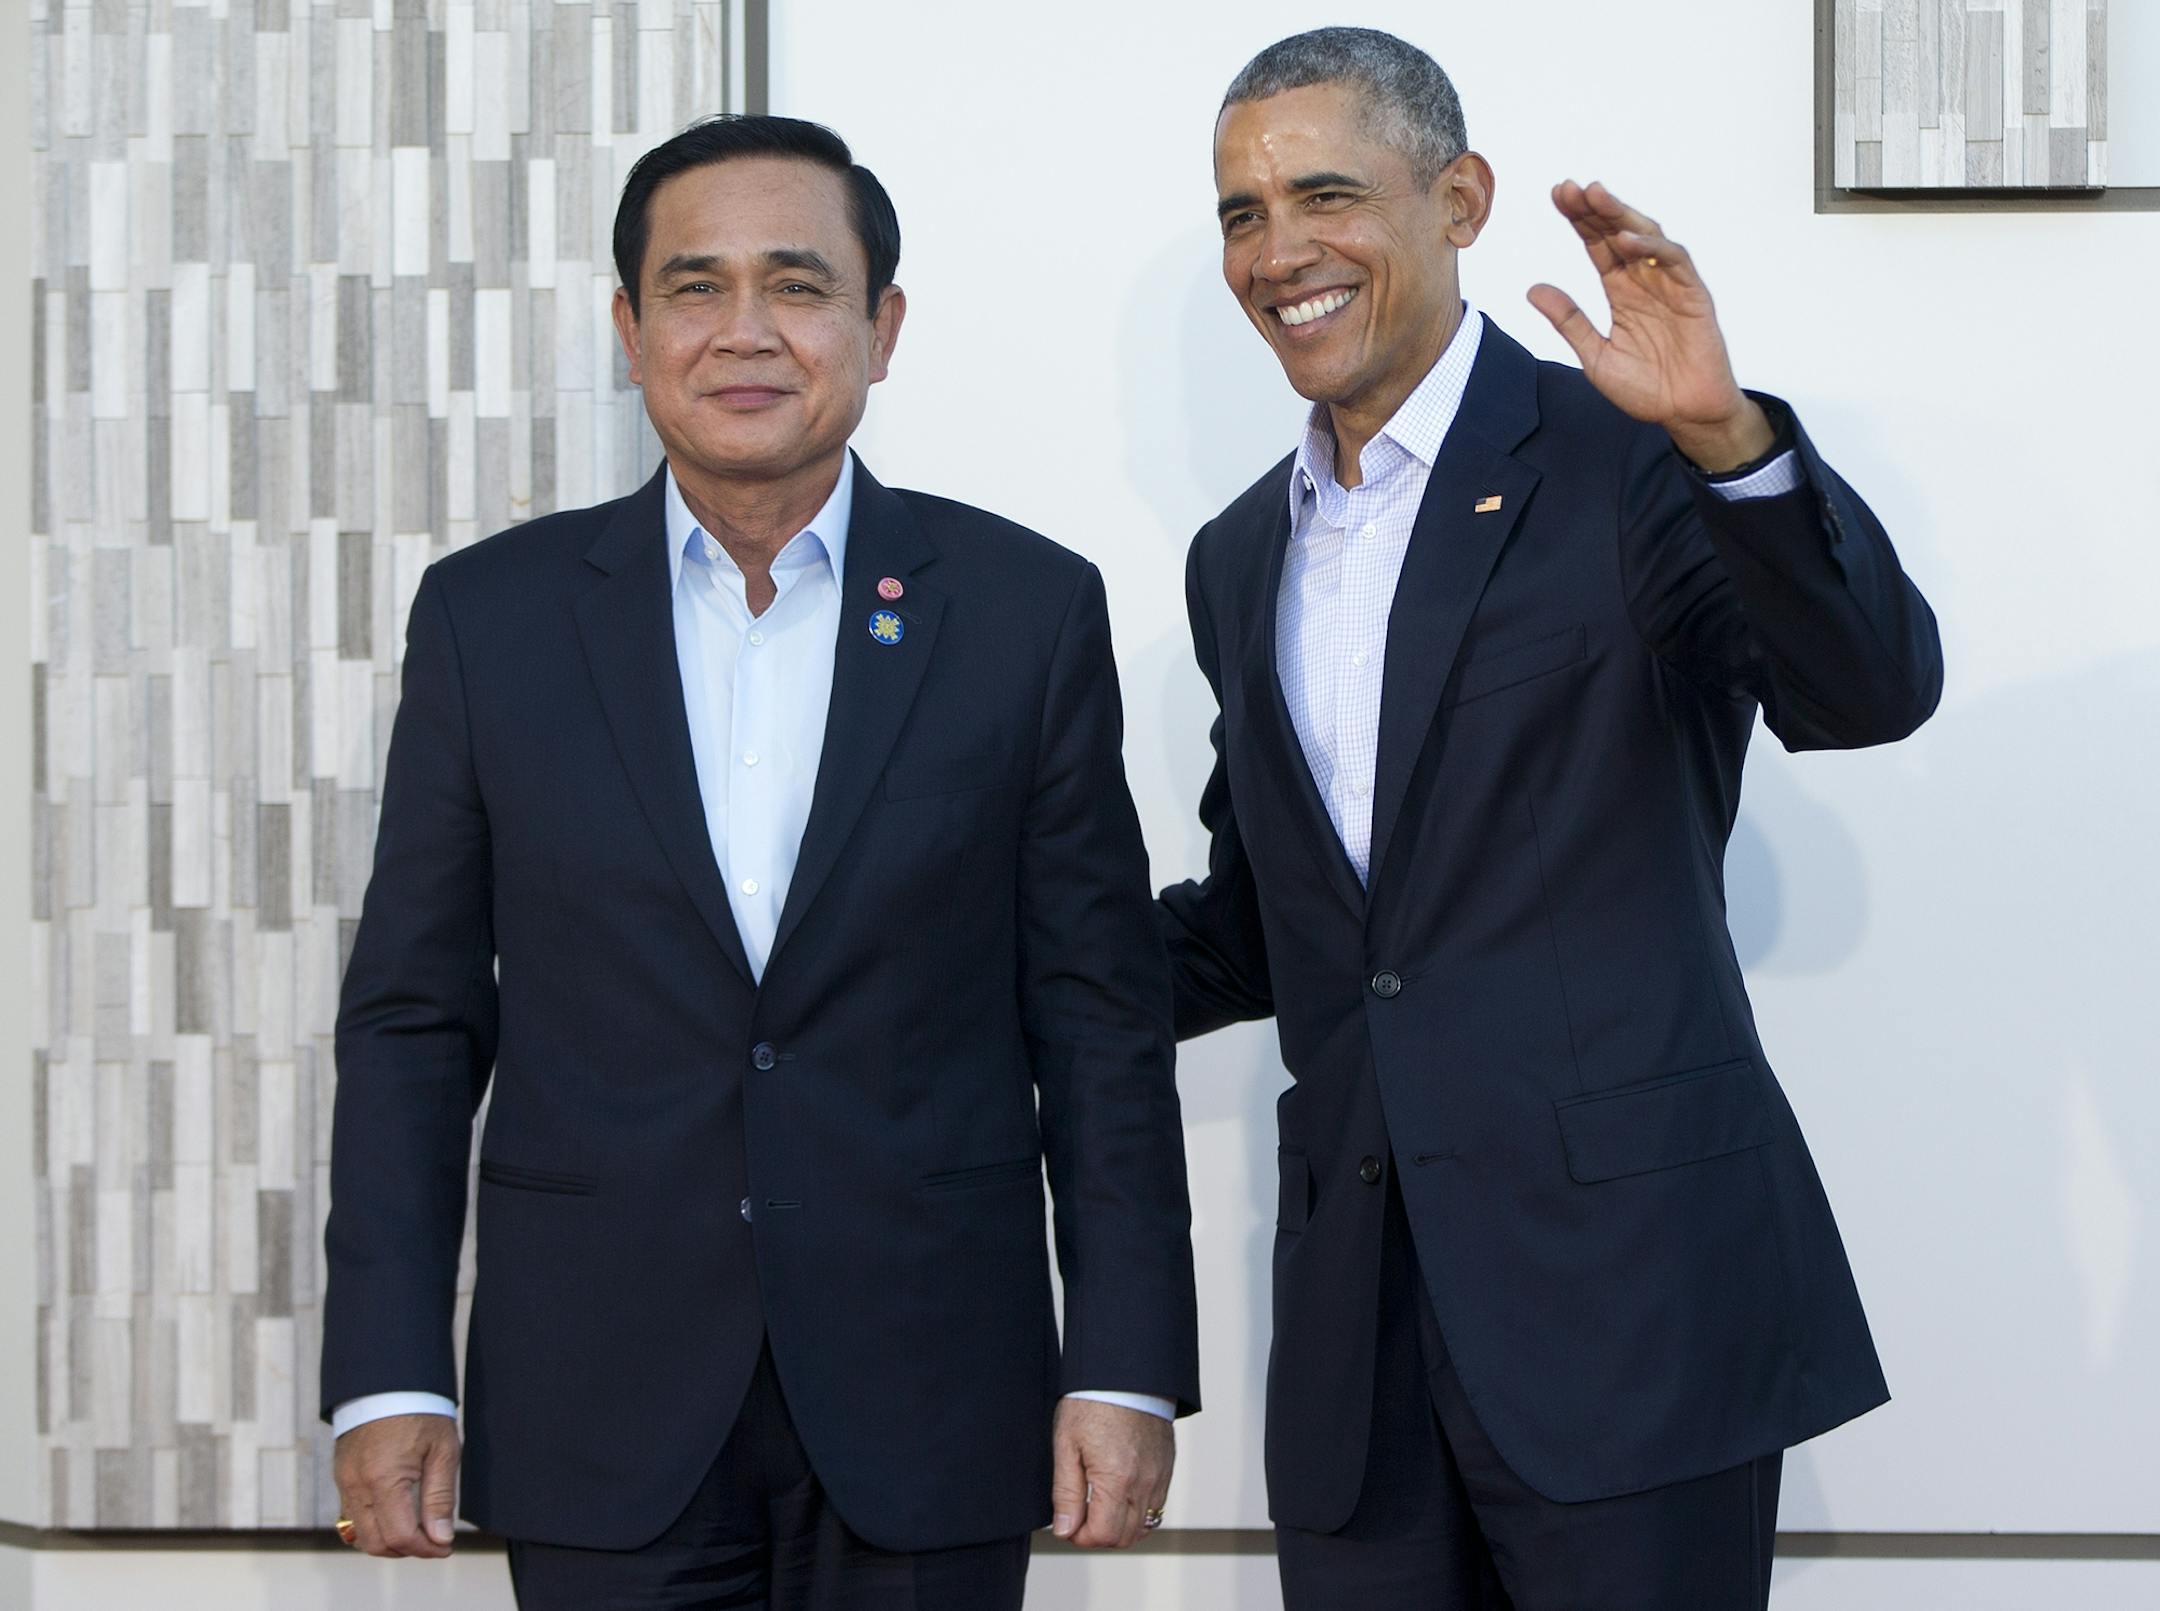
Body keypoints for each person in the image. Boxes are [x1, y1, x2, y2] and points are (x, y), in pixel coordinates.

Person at [320, 114, 1199, 1610]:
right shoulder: (491, 622)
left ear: (882, 327)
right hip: (602, 1394)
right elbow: (414, 1018)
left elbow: (1100, 1022)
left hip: (934, 1390)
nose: (745, 332)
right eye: (694, 287)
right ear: (630, 326)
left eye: (797, 285)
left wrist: (1125, 1360)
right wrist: (386, 1371)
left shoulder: (1024, 613)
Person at [1158, 27, 1941, 1609]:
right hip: (1356, 1352)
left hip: (1633, 1319)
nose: (1279, 250)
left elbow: (1865, 691)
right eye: (1243, 212)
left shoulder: (1631, 457)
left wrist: (1727, 440)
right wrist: (950, 940)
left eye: (1325, 194)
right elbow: (1270, 928)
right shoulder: (1237, 554)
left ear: (1462, 199)